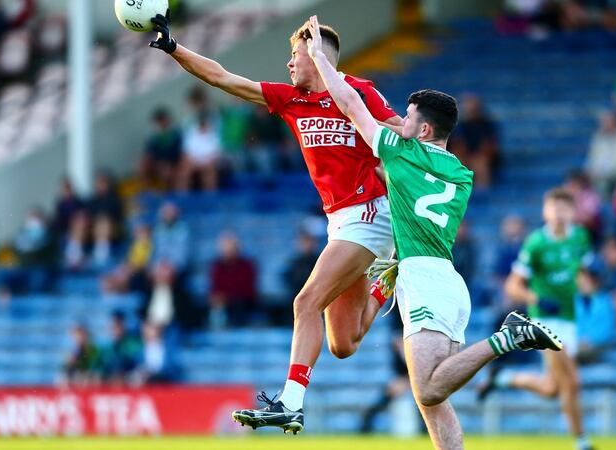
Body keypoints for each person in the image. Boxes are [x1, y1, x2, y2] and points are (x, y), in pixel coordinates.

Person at [233, 17, 564, 445]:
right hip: (439, 279)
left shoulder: (401, 155)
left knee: (428, 388)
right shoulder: (461, 174)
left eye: (406, 118)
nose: (397, 121)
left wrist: (319, 58)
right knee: (431, 400)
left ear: (424, 130)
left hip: (425, 280)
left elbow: (351, 105)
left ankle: (508, 336)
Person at [149, 11, 404, 424]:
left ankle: (290, 403)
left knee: (305, 302)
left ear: (319, 56)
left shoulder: (358, 92)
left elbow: (399, 133)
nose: (289, 63)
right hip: (339, 221)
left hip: (371, 213)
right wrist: (175, 49)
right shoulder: (292, 99)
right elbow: (223, 78)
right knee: (344, 342)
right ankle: (386, 281)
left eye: (296, 54)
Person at [487, 188, 595, 450]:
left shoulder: (580, 237)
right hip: (543, 322)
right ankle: (581, 442)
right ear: (545, 211)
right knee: (572, 381)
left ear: (573, 212)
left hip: (569, 319)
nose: (558, 214)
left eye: (564, 208)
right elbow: (513, 286)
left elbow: (579, 270)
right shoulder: (536, 243)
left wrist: (587, 288)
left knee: (552, 389)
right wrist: (537, 299)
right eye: (553, 208)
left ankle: (503, 378)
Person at [449, 94, 499, 189]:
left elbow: (489, 145)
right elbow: (455, 144)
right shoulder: (457, 125)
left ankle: (482, 194)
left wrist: (477, 156)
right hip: (463, 155)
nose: (469, 108)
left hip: (482, 156)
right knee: (456, 162)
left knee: (480, 163)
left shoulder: (486, 124)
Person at [208, 232, 257, 328]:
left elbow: (248, 290)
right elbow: (214, 288)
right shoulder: (217, 266)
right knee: (217, 308)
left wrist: (226, 296)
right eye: (225, 246)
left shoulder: (246, 265)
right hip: (223, 305)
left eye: (231, 246)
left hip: (243, 303)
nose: (228, 250)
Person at [584, 111, 616, 198]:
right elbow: (591, 159)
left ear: (615, 123)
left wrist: (604, 174)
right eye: (602, 122)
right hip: (598, 175)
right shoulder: (598, 138)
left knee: (603, 184)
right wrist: (589, 171)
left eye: (606, 122)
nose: (603, 125)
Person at [575, 262, 616, 363]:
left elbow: (608, 329)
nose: (585, 282)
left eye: (589, 278)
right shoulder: (570, 301)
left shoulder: (606, 301)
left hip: (598, 347)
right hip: (575, 346)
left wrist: (590, 340)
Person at [140, 108, 183, 190]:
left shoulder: (177, 133)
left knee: (167, 171)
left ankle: (173, 194)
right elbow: (148, 152)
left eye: (162, 120)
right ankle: (151, 192)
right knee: (141, 166)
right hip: (159, 162)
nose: (160, 123)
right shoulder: (153, 137)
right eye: (158, 121)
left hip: (174, 162)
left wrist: (170, 164)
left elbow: (182, 152)